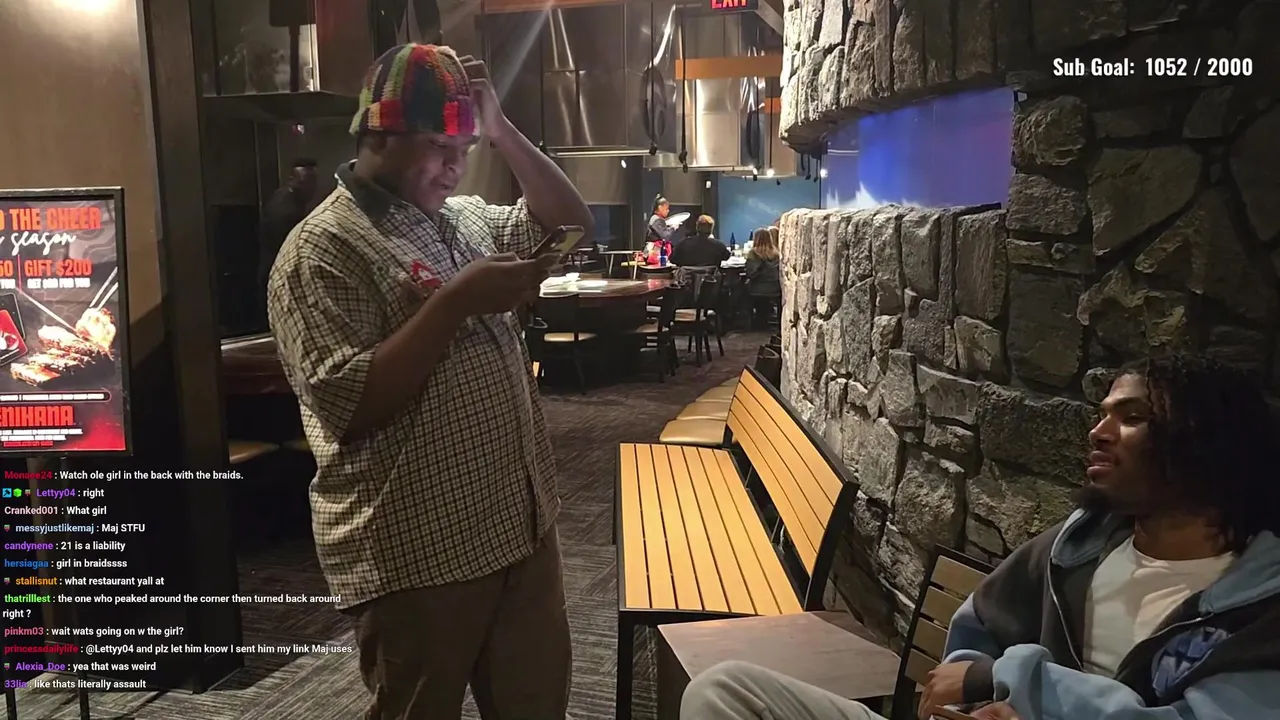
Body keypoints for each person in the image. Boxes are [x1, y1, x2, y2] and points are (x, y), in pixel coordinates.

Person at [681, 353, 1280, 720]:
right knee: (726, 690)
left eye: (1133, 418)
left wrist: (1012, 684)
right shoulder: (1082, 543)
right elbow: (979, 631)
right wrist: (975, 697)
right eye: (1102, 414)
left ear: (1209, 444)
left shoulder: (1258, 608)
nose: (1098, 432)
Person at [267, 44, 592, 720]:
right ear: (379, 135)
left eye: (464, 148)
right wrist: (454, 303)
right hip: (417, 546)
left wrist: (500, 128)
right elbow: (349, 405)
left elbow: (568, 224)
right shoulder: (321, 248)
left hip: (520, 525)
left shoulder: (463, 219)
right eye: (439, 146)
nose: (455, 165)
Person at [258, 157, 319, 292]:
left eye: (313, 182)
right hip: (278, 278)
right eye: (304, 182)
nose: (310, 188)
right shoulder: (287, 210)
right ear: (292, 180)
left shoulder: (286, 198)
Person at [744, 227, 780, 328]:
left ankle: (749, 320)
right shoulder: (776, 253)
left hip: (758, 288)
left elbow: (751, 274)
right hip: (775, 287)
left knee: (741, 289)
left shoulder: (753, 253)